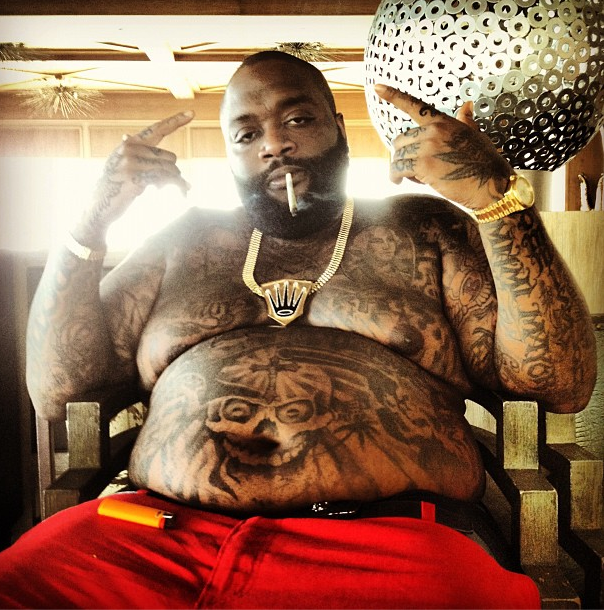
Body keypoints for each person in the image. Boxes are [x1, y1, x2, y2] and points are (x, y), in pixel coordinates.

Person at [0, 50, 596, 609]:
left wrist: (498, 199)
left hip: (384, 541)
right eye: (246, 134)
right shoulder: (181, 241)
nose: (274, 145)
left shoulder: (427, 228)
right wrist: (90, 222)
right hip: (156, 537)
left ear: (338, 127)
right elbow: (59, 392)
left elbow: (559, 382)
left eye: (298, 119)